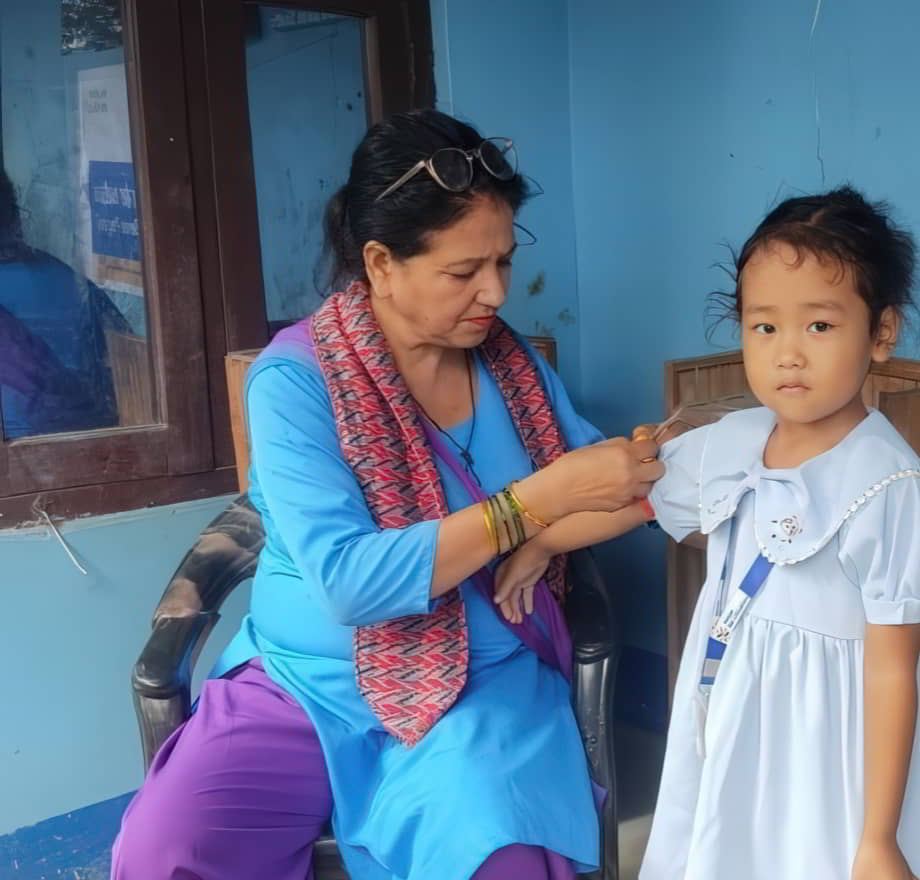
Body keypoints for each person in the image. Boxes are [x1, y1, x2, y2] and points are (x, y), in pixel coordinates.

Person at [110, 109, 663, 880]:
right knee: (169, 851)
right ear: (381, 263)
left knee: (499, 856)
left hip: (482, 682)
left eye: (503, 262)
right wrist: (530, 506)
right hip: (306, 684)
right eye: (464, 271)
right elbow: (351, 582)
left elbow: (624, 485)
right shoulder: (296, 381)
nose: (496, 292)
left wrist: (542, 537)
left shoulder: (512, 370)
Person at [494, 186, 920, 880]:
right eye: (764, 327)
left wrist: (878, 838)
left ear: (881, 333)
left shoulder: (885, 486)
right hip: (733, 715)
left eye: (820, 327)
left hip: (827, 749)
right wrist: (541, 544)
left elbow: (893, 670)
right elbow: (637, 501)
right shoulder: (732, 443)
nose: (788, 355)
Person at [0, 167, 130, 438]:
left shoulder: (56, 277)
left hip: (30, 454)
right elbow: (126, 354)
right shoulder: (62, 276)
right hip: (98, 438)